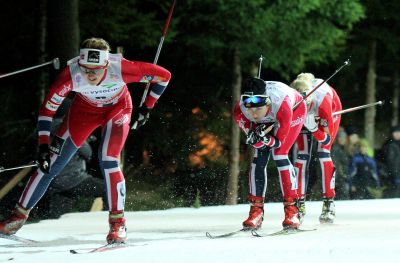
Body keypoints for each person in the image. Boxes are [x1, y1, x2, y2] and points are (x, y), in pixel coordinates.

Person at [0, 37, 171, 244]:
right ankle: (16, 218)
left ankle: (117, 223)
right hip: (83, 112)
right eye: (85, 69)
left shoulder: (122, 68)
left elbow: (164, 76)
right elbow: (47, 111)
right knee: (49, 165)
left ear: (106, 65)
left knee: (108, 160)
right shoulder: (70, 75)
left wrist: (148, 107)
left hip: (117, 109)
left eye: (95, 70)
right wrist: (44, 144)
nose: (89, 75)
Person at [233, 77, 306, 230]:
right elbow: (257, 143)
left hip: (294, 110)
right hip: (269, 117)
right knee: (258, 156)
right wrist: (258, 138)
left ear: (267, 102)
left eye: (258, 108)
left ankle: (292, 211)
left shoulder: (282, 104)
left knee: (280, 154)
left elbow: (278, 142)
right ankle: (256, 211)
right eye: (249, 108)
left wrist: (266, 138)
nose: (253, 114)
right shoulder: (240, 112)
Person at [291, 73, 342, 224]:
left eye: (305, 103)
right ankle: (299, 204)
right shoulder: (293, 105)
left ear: (310, 97)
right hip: (307, 117)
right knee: (302, 156)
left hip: (328, 111)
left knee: (323, 153)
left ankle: (329, 203)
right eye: (299, 103)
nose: (303, 107)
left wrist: (314, 128)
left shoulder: (323, 101)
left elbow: (326, 138)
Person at [330, 128, 350, 200]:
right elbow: (336, 165)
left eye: (343, 138)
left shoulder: (343, 149)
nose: (342, 139)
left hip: (340, 178)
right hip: (338, 178)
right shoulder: (336, 149)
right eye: (340, 137)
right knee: (343, 197)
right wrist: (341, 176)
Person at [381, 125, 400, 198]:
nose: (397, 134)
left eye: (399, 132)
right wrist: (394, 174)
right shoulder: (389, 145)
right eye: (395, 132)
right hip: (392, 175)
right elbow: (390, 162)